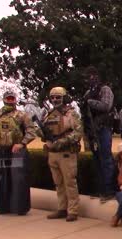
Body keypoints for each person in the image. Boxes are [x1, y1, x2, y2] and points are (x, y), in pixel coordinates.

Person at [0, 90, 36, 214]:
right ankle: (3, 208)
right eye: (8, 98)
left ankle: (20, 208)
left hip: (17, 152)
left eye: (12, 98)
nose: (10, 100)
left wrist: (22, 143)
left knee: (19, 180)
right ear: (4, 99)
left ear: (15, 100)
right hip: (0, 151)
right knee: (1, 179)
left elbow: (31, 131)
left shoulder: (22, 115)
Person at [38, 87, 83, 222]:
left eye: (58, 97)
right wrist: (42, 133)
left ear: (64, 98)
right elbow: (40, 131)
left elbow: (78, 133)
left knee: (69, 182)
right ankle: (62, 208)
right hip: (53, 153)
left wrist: (62, 141)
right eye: (53, 97)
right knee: (58, 183)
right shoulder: (48, 114)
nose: (55, 100)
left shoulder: (71, 114)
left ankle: (73, 211)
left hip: (66, 153)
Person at [81, 66, 116, 203]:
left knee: (106, 159)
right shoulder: (88, 92)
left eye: (90, 76)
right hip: (92, 129)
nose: (89, 79)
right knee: (96, 160)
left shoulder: (105, 89)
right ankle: (100, 189)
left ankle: (109, 190)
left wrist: (90, 102)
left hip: (103, 128)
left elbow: (106, 106)